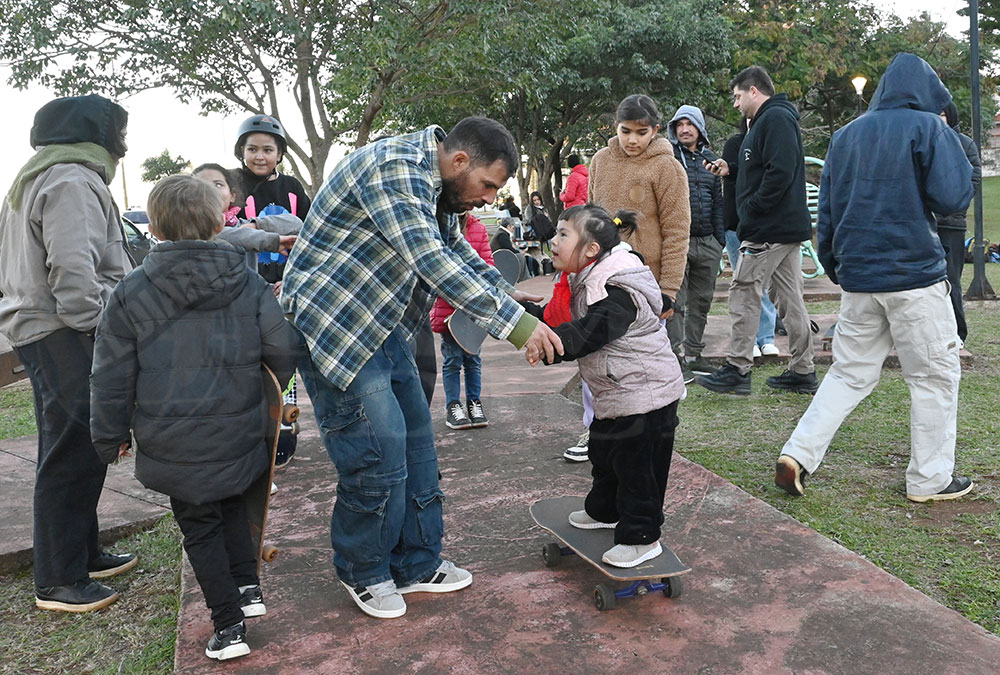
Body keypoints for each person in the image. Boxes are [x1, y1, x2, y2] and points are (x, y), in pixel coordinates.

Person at [280, 116, 563, 619]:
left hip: (381, 324)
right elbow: (429, 258)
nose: (489, 200)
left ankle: (416, 563)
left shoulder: (436, 185)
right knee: (378, 451)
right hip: (336, 328)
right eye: (488, 186)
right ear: (459, 162)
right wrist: (516, 327)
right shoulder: (394, 169)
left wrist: (506, 294)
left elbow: (455, 249)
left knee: (416, 445)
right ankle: (364, 570)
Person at [90, 175, 302, 660]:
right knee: (231, 504)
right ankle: (247, 590)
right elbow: (282, 351)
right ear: (216, 222)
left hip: (173, 438)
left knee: (200, 525)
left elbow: (110, 374)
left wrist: (109, 436)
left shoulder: (130, 290)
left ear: (156, 228)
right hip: (240, 426)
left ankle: (229, 628)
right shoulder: (247, 283)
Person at [774, 53, 975, 503]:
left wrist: (837, 265)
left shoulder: (845, 136)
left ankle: (797, 453)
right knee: (933, 378)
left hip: (860, 278)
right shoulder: (928, 127)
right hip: (914, 276)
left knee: (848, 373)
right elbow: (952, 197)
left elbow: (827, 213)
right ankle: (930, 479)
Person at [0, 94, 135, 613]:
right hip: (62, 330)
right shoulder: (73, 180)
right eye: (119, 132)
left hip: (45, 329)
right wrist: (101, 329)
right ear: (97, 134)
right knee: (73, 448)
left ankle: (82, 553)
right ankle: (58, 579)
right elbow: (73, 275)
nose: (123, 143)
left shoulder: (40, 174)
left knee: (76, 444)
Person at [520, 204, 684, 567]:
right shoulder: (586, 278)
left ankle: (642, 536)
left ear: (591, 249)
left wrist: (547, 345)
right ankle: (605, 509)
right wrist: (520, 319)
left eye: (564, 234)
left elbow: (587, 333)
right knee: (606, 454)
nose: (554, 241)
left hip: (646, 396)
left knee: (638, 469)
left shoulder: (618, 289)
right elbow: (555, 318)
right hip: (615, 392)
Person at [698, 66, 818, 396]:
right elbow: (765, 168)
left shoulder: (775, 119)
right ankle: (803, 370)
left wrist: (752, 208)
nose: (735, 104)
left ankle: (737, 369)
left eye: (737, 96)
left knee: (744, 292)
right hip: (781, 228)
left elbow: (780, 172)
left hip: (768, 229)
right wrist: (732, 169)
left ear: (754, 91)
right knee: (790, 300)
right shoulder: (768, 122)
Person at [588, 93, 691, 364]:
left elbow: (676, 232)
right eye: (626, 131)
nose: (632, 140)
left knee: (647, 361)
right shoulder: (600, 161)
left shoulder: (667, 167)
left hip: (649, 280)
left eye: (641, 132)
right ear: (616, 127)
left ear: (655, 131)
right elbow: (590, 220)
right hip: (604, 278)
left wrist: (668, 290)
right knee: (609, 358)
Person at [666, 104, 725, 378]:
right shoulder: (668, 158)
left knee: (701, 301)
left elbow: (718, 202)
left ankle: (694, 354)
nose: (685, 129)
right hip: (678, 242)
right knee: (675, 304)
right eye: (680, 124)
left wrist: (720, 240)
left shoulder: (711, 160)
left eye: (690, 124)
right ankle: (674, 358)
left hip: (708, 241)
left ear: (700, 128)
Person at [720, 117, 778, 361]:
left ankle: (767, 338)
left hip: (766, 225)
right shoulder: (735, 144)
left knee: (764, 283)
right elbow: (735, 179)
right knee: (744, 283)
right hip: (737, 226)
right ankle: (750, 340)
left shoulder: (772, 144)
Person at [430, 211, 494, 430]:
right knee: (452, 360)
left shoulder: (478, 229)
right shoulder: (437, 226)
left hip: (473, 308)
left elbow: (487, 265)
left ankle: (474, 402)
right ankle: (453, 406)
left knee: (473, 359)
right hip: (448, 307)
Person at [935, 102, 981, 344]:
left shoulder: (964, 144)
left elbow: (974, 178)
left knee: (951, 280)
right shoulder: (925, 141)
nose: (938, 118)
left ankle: (957, 332)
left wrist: (955, 204)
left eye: (942, 114)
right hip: (926, 224)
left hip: (952, 223)